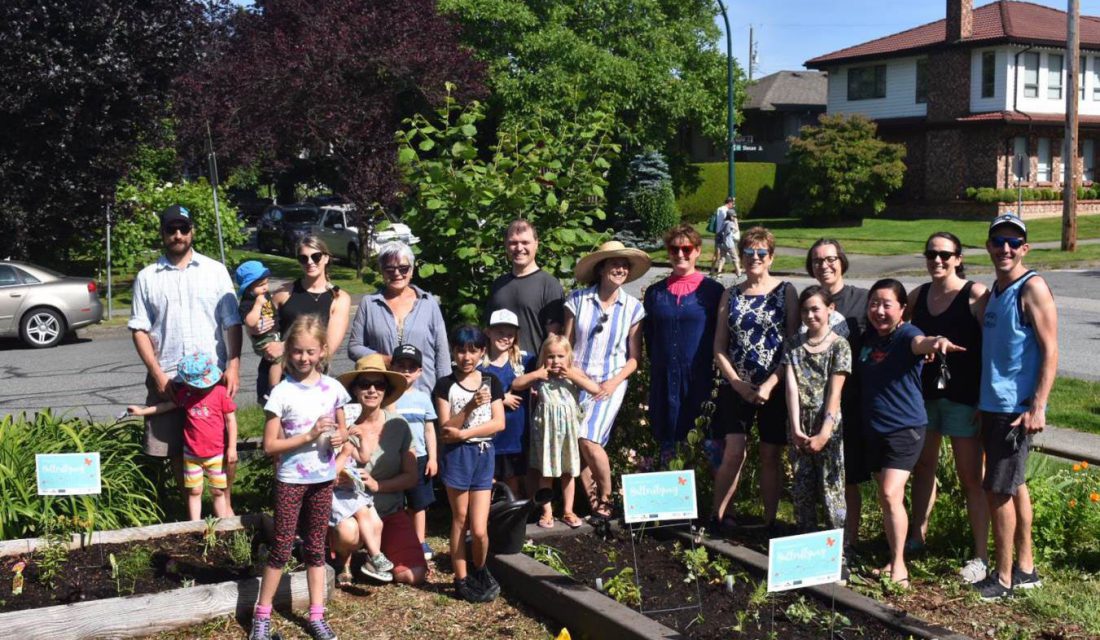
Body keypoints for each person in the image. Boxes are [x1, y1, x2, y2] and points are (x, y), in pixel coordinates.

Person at [129, 204, 242, 508]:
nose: (177, 235)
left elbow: (232, 322)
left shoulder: (215, 271)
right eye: (171, 229)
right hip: (169, 378)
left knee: (219, 444)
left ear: (192, 231)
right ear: (162, 233)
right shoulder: (147, 277)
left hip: (212, 379)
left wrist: (233, 364)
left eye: (183, 229)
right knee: (177, 450)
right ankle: (188, 515)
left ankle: (224, 507)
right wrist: (157, 373)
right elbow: (139, 329)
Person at [973, 214, 1057, 601]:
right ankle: (1025, 568)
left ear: (1024, 248)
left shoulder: (1032, 287)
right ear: (989, 246)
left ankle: (1002, 579)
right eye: (997, 240)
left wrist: (1037, 405)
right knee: (1015, 485)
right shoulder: (996, 290)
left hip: (1015, 409)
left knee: (998, 490)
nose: (1004, 248)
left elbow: (1051, 350)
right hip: (994, 405)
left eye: (1013, 241)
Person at [858, 278, 963, 590]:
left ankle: (900, 566)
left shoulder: (907, 334)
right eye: (874, 303)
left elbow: (923, 343)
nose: (879, 310)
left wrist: (937, 343)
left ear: (902, 309)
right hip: (874, 429)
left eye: (887, 304)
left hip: (905, 428)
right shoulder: (868, 340)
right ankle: (893, 556)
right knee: (888, 498)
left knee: (891, 493)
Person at [251, 315, 350, 640]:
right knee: (281, 547)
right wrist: (309, 436)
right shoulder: (281, 393)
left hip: (322, 480)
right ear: (288, 352)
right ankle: (261, 618)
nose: (304, 358)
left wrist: (340, 437)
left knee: (316, 548)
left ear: (322, 350)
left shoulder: (333, 389)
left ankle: (316, 615)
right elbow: (270, 445)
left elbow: (342, 428)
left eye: (310, 351)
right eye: (297, 351)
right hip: (291, 480)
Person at [905, 231, 990, 584]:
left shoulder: (974, 295)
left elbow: (994, 346)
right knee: (923, 467)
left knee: (972, 476)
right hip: (926, 398)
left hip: (964, 399)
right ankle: (917, 536)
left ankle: (981, 556)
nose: (937, 260)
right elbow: (902, 333)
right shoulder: (918, 295)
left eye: (944, 254)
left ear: (958, 257)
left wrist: (987, 399)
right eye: (931, 254)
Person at [711, 226, 798, 532]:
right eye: (749, 252)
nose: (755, 258)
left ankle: (770, 521)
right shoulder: (730, 294)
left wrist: (771, 384)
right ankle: (718, 516)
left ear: (771, 258)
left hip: (774, 385)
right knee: (733, 450)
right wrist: (736, 383)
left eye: (761, 253)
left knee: (770, 453)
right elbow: (719, 346)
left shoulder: (785, 292)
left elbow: (792, 345)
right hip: (737, 385)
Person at [565, 240, 649, 518]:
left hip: (611, 383)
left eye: (625, 265)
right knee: (580, 444)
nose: (620, 268)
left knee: (588, 439)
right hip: (576, 379)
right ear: (601, 268)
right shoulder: (577, 300)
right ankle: (594, 505)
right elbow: (565, 346)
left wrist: (612, 383)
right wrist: (576, 377)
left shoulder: (633, 307)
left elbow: (634, 358)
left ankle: (607, 496)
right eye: (615, 263)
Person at [330, 354, 428, 587]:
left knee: (413, 575)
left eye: (379, 385)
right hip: (350, 510)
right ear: (354, 390)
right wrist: (339, 477)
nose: (372, 390)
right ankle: (344, 560)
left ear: (386, 391)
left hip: (389, 509)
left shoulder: (398, 425)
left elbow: (411, 476)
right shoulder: (341, 428)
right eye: (365, 384)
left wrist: (377, 485)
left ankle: (377, 556)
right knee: (348, 532)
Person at [806, 238, 869, 555]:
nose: (824, 265)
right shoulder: (809, 302)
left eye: (830, 259)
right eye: (817, 261)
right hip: (815, 404)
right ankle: (822, 539)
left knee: (848, 476)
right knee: (819, 476)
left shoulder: (862, 300)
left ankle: (849, 541)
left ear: (841, 261)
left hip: (853, 402)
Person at [433, 326, 505, 603]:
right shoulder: (445, 385)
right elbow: (446, 429)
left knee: (479, 528)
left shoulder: (491, 381)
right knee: (460, 519)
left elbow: (499, 423)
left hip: (484, 454)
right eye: (461, 350)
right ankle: (460, 577)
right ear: (453, 351)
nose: (466, 356)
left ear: (482, 352)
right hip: (458, 456)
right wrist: (469, 409)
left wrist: (466, 433)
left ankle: (480, 568)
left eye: (473, 350)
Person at [126, 352, 238, 521]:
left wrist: (232, 448)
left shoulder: (220, 393)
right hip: (192, 455)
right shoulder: (186, 395)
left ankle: (223, 525)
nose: (200, 389)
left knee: (218, 491)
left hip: (216, 453)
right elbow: (165, 406)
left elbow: (231, 420)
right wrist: (142, 411)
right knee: (194, 491)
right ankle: (194, 524)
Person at [643, 224, 724, 454]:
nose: (680, 255)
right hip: (664, 382)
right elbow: (650, 336)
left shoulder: (713, 291)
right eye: (674, 249)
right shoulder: (655, 293)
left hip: (701, 381)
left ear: (697, 251)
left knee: (708, 450)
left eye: (686, 249)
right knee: (669, 449)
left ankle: (708, 492)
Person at [513, 334, 602, 529]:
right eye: (551, 356)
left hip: (568, 432)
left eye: (560, 356)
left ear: (568, 357)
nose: (556, 361)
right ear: (544, 357)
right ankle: (547, 512)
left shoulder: (573, 373)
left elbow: (595, 389)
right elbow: (516, 384)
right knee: (547, 472)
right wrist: (536, 375)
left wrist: (572, 375)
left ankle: (568, 510)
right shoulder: (541, 375)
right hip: (546, 433)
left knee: (568, 472)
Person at [782, 286, 850, 534]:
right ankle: (806, 541)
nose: (810, 316)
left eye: (815, 309)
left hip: (828, 423)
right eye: (805, 311)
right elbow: (791, 387)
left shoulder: (839, 346)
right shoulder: (793, 345)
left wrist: (824, 432)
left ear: (830, 309)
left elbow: (835, 391)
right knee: (802, 486)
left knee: (831, 486)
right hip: (800, 422)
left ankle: (839, 546)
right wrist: (796, 427)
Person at [254, 235, 351, 402]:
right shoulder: (283, 293)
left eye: (316, 256)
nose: (310, 262)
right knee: (276, 427)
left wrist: (285, 347)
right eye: (303, 258)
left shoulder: (338, 298)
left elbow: (328, 347)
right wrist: (261, 335)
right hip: (276, 374)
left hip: (312, 375)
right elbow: (262, 329)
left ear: (326, 258)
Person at [348, 241, 450, 394]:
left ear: (412, 270)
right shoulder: (369, 304)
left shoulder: (428, 303)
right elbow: (354, 347)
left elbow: (442, 353)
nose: (397, 273)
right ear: (381, 271)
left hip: (424, 393)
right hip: (383, 392)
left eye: (403, 268)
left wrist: (445, 392)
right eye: (390, 268)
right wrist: (384, 359)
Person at [486, 220, 565, 358]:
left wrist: (541, 370)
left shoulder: (549, 284)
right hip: (499, 371)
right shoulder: (498, 285)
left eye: (525, 242)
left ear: (536, 244)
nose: (519, 248)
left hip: (533, 371)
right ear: (506, 245)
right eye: (513, 243)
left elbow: (554, 340)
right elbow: (489, 332)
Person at [389, 344, 439, 561]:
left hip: (419, 458)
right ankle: (397, 540)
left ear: (420, 372)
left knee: (419, 503)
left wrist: (433, 458)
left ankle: (419, 541)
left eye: (412, 367)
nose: (406, 371)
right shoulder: (388, 397)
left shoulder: (423, 397)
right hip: (393, 458)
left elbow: (429, 429)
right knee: (396, 503)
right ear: (392, 367)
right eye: (401, 366)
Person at [481, 309, 535, 498]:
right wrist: (502, 398)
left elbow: (551, 356)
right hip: (490, 436)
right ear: (488, 332)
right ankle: (489, 519)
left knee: (514, 480)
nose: (505, 337)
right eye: (500, 332)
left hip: (517, 436)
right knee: (489, 480)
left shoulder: (525, 361)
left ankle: (515, 519)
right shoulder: (480, 365)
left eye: (510, 334)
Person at [236, 260, 283, 393]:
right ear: (249, 287)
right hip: (262, 339)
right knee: (278, 359)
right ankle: (274, 389)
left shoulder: (263, 295)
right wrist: (257, 305)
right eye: (261, 285)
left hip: (273, 335)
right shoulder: (248, 302)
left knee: (284, 358)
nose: (265, 287)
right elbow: (250, 322)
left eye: (267, 283)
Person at [712, 206, 742, 277]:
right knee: (735, 258)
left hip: (722, 243)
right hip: (729, 243)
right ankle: (738, 272)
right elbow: (736, 230)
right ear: (730, 216)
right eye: (734, 216)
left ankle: (719, 273)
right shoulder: (730, 223)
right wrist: (736, 222)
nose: (734, 217)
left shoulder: (724, 222)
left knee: (722, 258)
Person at [708, 197, 736, 268]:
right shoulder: (726, 211)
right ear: (729, 203)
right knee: (729, 252)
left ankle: (712, 269)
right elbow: (727, 220)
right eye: (733, 203)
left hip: (718, 233)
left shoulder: (719, 208)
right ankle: (737, 270)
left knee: (717, 253)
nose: (733, 205)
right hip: (724, 234)